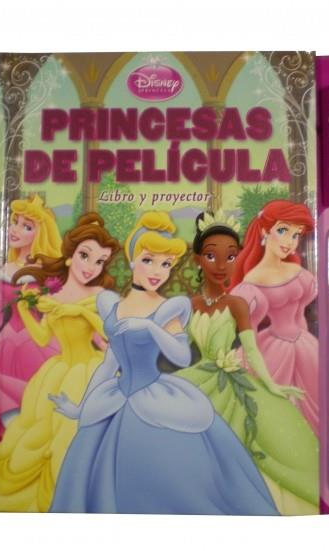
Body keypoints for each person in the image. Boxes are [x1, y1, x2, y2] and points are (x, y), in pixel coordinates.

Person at [48, 212, 278, 515]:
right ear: (132, 260)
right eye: (149, 260)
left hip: (155, 399)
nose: (158, 272)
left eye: (166, 264)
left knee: (171, 482)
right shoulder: (111, 305)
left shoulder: (168, 308)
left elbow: (181, 357)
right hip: (114, 400)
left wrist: (151, 327)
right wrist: (80, 409)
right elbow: (108, 365)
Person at [175, 210, 319, 514]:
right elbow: (178, 348)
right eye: (211, 256)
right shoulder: (192, 305)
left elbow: (251, 350)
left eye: (230, 257)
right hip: (201, 376)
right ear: (198, 259)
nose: (221, 265)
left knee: (257, 437)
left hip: (241, 373)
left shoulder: (237, 303)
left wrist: (271, 385)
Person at [0, 213, 120, 512]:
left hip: (89, 371)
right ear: (70, 256)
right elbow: (44, 337)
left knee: (78, 434)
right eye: (85, 256)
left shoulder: (100, 296)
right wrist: (25, 309)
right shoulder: (53, 296)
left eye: (99, 261)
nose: (91, 267)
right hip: (57, 373)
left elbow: (110, 334)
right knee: (42, 435)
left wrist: (81, 313)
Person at [229, 200, 319, 435]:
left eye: (296, 235)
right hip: (272, 352)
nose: (290, 241)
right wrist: (268, 381)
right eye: (282, 231)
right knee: (275, 417)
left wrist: (309, 349)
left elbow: (300, 317)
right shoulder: (251, 283)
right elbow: (250, 343)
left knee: (314, 406)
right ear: (264, 231)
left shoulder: (298, 272)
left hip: (306, 346)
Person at [0, 194, 62, 450]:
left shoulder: (46, 272)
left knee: (37, 401)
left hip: (37, 342)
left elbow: (58, 310)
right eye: (14, 222)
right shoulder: (6, 267)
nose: (15, 229)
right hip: (5, 344)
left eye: (26, 226)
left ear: (39, 234)